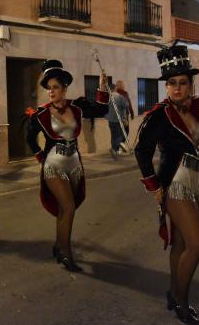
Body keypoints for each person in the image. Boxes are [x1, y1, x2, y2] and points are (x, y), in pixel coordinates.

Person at [135, 46, 199, 324]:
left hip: (197, 181)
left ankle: (173, 293)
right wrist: (155, 187)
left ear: (190, 85)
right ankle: (181, 301)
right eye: (172, 83)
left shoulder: (198, 107)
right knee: (197, 243)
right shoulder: (158, 116)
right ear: (166, 86)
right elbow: (141, 152)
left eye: (182, 83)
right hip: (175, 183)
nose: (177, 88)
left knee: (181, 243)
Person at [26, 60, 109, 272]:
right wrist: (40, 158)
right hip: (53, 164)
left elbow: (101, 110)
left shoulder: (77, 107)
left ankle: (58, 244)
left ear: (64, 88)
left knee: (65, 209)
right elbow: (30, 138)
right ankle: (66, 253)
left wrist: (101, 86)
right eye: (49, 88)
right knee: (69, 207)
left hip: (74, 164)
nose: (51, 91)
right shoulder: (41, 114)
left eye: (55, 87)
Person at [105, 84, 129, 159]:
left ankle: (114, 150)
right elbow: (126, 105)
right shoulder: (119, 96)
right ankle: (114, 149)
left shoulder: (107, 97)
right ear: (115, 88)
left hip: (110, 120)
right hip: (118, 120)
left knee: (113, 135)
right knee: (120, 136)